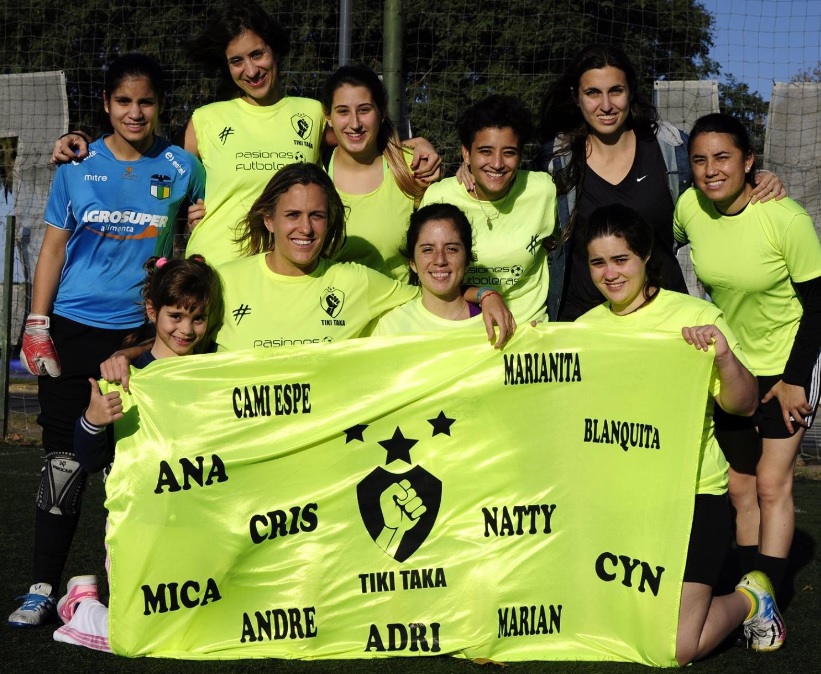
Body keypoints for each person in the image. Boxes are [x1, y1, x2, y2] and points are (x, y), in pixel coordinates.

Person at [9, 54, 204, 628]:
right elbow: (51, 248)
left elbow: (202, 231)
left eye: (145, 101)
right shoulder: (76, 163)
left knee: (144, 465)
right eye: (123, 102)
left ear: (160, 105)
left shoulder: (183, 165)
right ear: (106, 105)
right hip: (72, 330)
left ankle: (139, 585)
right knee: (65, 462)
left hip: (147, 335)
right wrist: (37, 321)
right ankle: (43, 586)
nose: (135, 112)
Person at [51, 1, 440, 269]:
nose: (250, 69)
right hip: (216, 267)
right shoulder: (205, 119)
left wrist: (412, 145)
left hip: (287, 269)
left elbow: (361, 135)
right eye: (237, 60)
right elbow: (153, 166)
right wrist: (83, 142)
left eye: (258, 54)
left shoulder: (310, 113)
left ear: (275, 52)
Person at [576, 203, 785, 662]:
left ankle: (751, 598)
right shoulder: (582, 331)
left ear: (646, 256)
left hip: (691, 497)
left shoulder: (693, 316)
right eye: (598, 262)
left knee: (676, 646)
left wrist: (724, 358)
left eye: (621, 259)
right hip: (619, 501)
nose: (610, 274)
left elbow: (745, 403)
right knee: (603, 625)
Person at [674, 113, 821, 610]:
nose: (711, 169)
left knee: (773, 483)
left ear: (748, 161)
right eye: (700, 159)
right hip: (733, 368)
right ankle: (746, 589)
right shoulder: (689, 207)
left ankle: (767, 604)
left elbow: (820, 307)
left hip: (789, 364)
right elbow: (656, 247)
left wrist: (795, 381)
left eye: (723, 157)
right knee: (740, 487)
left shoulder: (786, 219)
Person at [537, 43, 786, 322]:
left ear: (630, 90)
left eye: (615, 91)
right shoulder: (556, 160)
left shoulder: (671, 149)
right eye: (593, 93)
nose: (606, 105)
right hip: (583, 321)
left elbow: (719, 179)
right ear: (576, 97)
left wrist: (758, 178)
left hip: (664, 320)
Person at [51, 255, 220, 652]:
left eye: (197, 319)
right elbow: (92, 461)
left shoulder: (216, 372)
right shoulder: (125, 374)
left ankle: (91, 602)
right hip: (138, 527)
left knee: (201, 630)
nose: (186, 329)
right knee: (140, 638)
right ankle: (83, 606)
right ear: (152, 311)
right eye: (175, 315)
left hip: (199, 524)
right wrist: (93, 421)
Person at [421, 95, 556, 324]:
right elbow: (428, 276)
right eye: (485, 151)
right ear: (466, 153)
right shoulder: (440, 197)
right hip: (459, 328)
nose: (497, 163)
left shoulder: (543, 190)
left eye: (509, 152)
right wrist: (484, 293)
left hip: (528, 330)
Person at [322, 65, 429, 281]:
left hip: (393, 310)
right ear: (328, 117)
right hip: (325, 310)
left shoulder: (412, 169)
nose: (355, 124)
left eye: (364, 110)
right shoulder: (313, 172)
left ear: (381, 112)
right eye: (343, 111)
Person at [372, 203, 487, 335]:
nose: (440, 260)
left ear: (467, 260)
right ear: (412, 263)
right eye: (427, 250)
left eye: (451, 249)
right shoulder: (389, 326)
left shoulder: (495, 322)